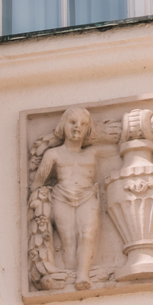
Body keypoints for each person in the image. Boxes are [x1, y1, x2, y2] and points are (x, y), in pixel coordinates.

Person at [30, 107, 105, 290]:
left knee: (87, 234)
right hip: (62, 196)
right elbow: (37, 183)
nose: (77, 127)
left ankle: (83, 275)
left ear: (88, 129)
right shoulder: (53, 154)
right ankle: (71, 276)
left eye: (83, 124)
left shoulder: (93, 153)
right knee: (68, 241)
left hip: (87, 196)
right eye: (72, 122)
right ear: (63, 125)